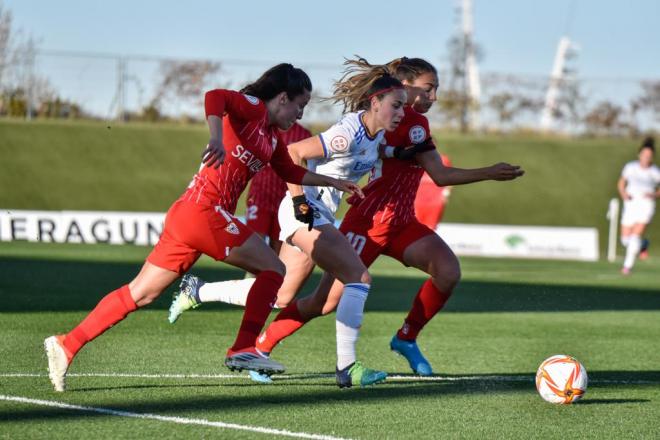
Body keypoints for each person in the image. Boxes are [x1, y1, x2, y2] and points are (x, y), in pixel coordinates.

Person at [168, 57, 523, 382]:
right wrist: (299, 202)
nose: (432, 97)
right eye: (425, 90)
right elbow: (296, 152)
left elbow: (388, 153)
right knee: (342, 285)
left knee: (286, 291)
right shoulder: (353, 128)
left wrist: (394, 157)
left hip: (352, 216)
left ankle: (202, 292)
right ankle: (333, 365)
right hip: (328, 216)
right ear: (392, 94)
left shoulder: (391, 128)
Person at [43, 63, 362, 392]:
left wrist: (332, 181)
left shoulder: (270, 137)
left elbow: (291, 172)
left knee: (141, 293)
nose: (300, 114)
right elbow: (214, 97)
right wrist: (215, 137)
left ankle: (67, 344)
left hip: (189, 215)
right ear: (282, 97)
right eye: (300, 105)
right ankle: (243, 348)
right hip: (203, 211)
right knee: (274, 268)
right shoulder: (252, 109)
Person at [245, 122, 312, 255]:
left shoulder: (303, 135)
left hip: (285, 201)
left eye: (302, 106)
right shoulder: (263, 128)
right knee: (253, 246)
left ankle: (271, 274)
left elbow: (311, 167)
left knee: (278, 249)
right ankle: (251, 275)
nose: (299, 111)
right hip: (260, 196)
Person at [618, 136, 660, 275]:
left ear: (652, 157)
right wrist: (623, 193)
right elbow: (621, 183)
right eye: (644, 155)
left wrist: (654, 195)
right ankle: (643, 245)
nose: (646, 158)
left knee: (634, 237)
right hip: (630, 204)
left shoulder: (655, 171)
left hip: (646, 206)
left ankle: (627, 267)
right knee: (625, 240)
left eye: (649, 156)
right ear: (639, 154)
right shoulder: (630, 167)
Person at [414, 153, 452, 229]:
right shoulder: (414, 159)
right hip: (416, 201)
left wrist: (446, 194)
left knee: (430, 228)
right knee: (414, 227)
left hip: (435, 202)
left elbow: (449, 178)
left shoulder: (443, 159)